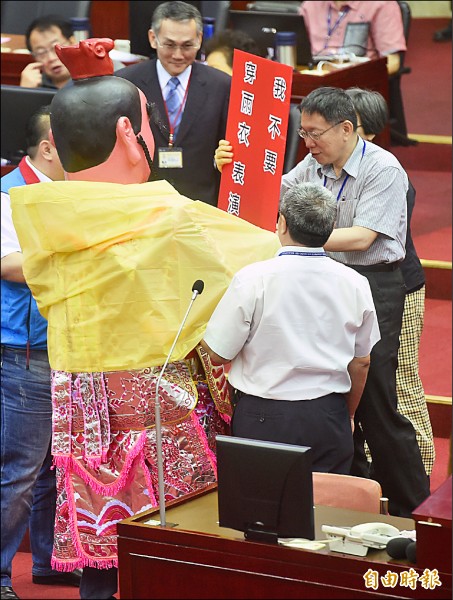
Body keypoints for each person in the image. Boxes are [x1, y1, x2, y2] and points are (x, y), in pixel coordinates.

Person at [10, 38, 279, 599]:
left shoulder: (42, 212)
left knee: (104, 562)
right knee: (170, 550)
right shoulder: (168, 216)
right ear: (132, 136)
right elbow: (265, 259)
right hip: (156, 401)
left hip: (80, 395)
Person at [214, 86, 431, 518]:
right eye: (303, 132)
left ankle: (416, 513)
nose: (307, 142)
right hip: (320, 272)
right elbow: (273, 197)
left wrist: (301, 239)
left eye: (315, 134)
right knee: (338, 393)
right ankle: (357, 497)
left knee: (378, 404)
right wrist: (234, 169)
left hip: (373, 281)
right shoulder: (313, 165)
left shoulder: (384, 168)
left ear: (346, 129)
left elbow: (364, 237)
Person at [201, 182, 380, 474]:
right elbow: (362, 362)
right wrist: (344, 414)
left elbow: (218, 354)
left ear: (281, 224)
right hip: (327, 414)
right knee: (324, 511)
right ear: (331, 226)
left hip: (263, 415)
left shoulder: (253, 278)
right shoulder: (355, 282)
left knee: (259, 511)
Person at [1, 106, 81, 600]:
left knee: (57, 463)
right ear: (50, 145)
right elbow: (9, 266)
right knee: (20, 468)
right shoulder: (10, 192)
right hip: (23, 350)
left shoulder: (68, 193)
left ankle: (50, 559)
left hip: (69, 344)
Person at [345, 87, 435, 477]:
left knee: (401, 391)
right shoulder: (326, 167)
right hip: (348, 287)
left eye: (349, 127)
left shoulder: (385, 172)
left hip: (397, 289)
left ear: (370, 132)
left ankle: (423, 495)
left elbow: (362, 237)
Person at [115, 1, 231, 207]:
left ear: (200, 39)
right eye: (169, 45)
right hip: (142, 205)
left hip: (201, 204)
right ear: (153, 38)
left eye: (187, 45)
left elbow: (226, 148)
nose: (178, 55)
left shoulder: (222, 86)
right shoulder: (125, 83)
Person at [299, 1, 406, 75]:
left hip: (358, 87)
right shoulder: (310, 5)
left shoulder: (382, 4)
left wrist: (355, 77)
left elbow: (393, 62)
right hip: (315, 82)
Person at [20, 15, 76, 89]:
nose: (51, 58)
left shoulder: (93, 82)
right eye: (41, 53)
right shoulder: (34, 85)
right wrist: (25, 92)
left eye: (55, 48)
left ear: (73, 42)